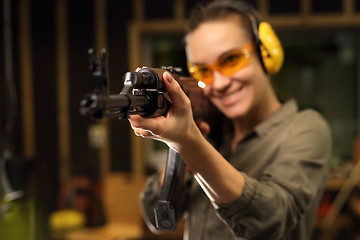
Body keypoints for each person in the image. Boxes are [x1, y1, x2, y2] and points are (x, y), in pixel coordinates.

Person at [129, 1, 332, 239]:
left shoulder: (305, 128)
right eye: (203, 71)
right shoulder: (210, 131)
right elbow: (157, 217)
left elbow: (270, 221)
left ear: (266, 53)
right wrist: (183, 150)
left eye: (231, 60)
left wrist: (190, 143)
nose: (221, 83)